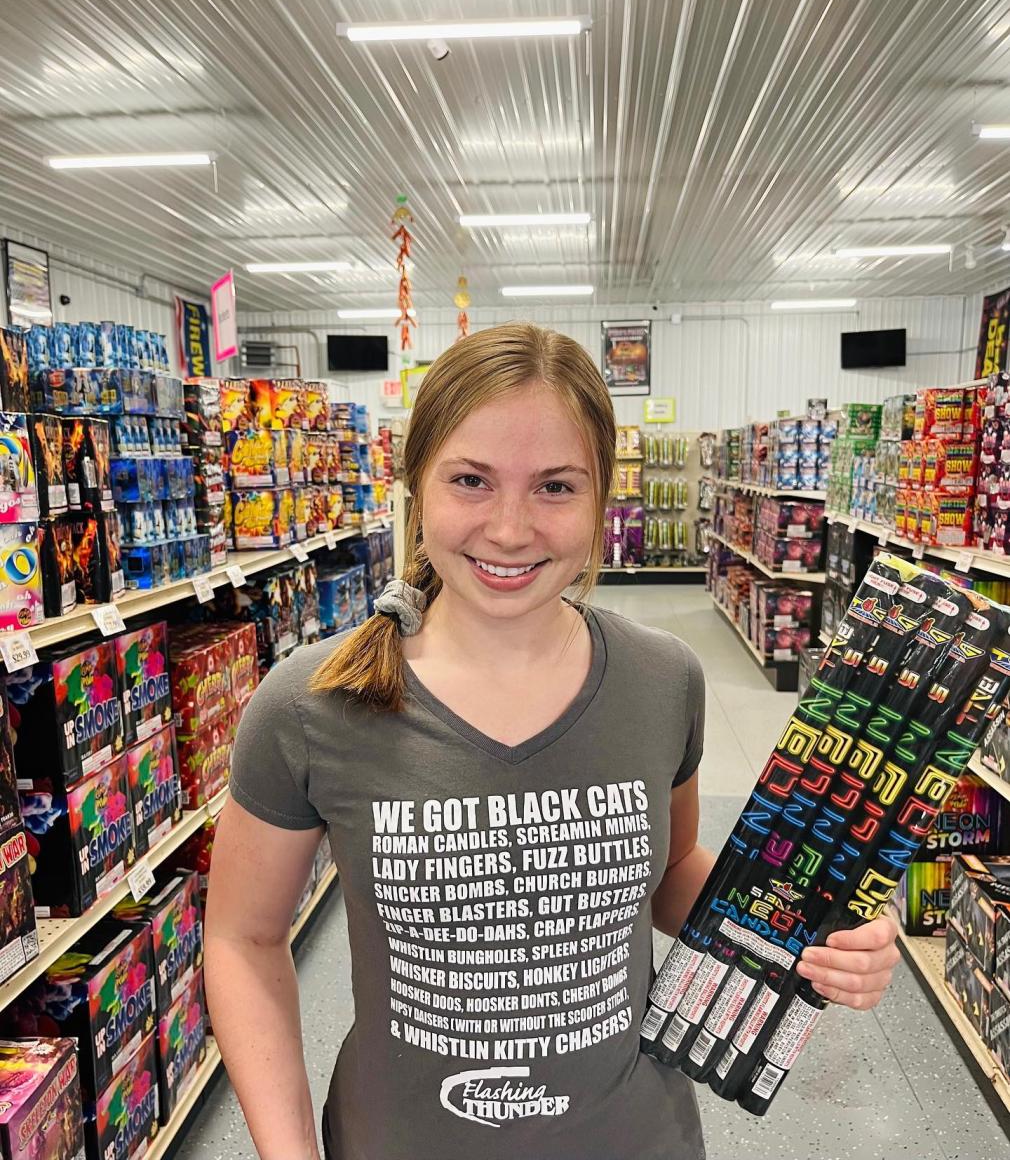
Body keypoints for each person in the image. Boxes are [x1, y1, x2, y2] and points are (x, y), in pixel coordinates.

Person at [204, 323, 901, 1160]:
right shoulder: (313, 705)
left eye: (556, 487)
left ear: (604, 499)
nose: (509, 529)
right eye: (470, 480)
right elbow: (242, 940)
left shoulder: (662, 678)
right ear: (416, 486)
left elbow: (671, 874)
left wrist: (808, 932)